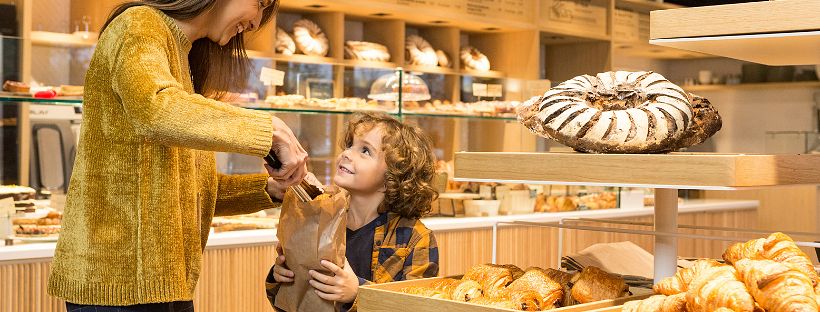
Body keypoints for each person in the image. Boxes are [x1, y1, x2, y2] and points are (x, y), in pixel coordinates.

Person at [47, 1, 306, 311]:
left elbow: (187, 189)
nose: (257, 22)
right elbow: (155, 110)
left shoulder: (183, 57)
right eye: (260, 4)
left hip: (162, 286)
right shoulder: (139, 25)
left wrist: (269, 190)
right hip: (117, 287)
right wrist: (268, 129)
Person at [266, 112, 440, 311]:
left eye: (365, 151)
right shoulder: (320, 218)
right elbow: (288, 302)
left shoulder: (415, 239)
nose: (346, 154)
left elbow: (416, 307)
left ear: (393, 178)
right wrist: (281, 276)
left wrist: (358, 294)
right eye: (350, 145)